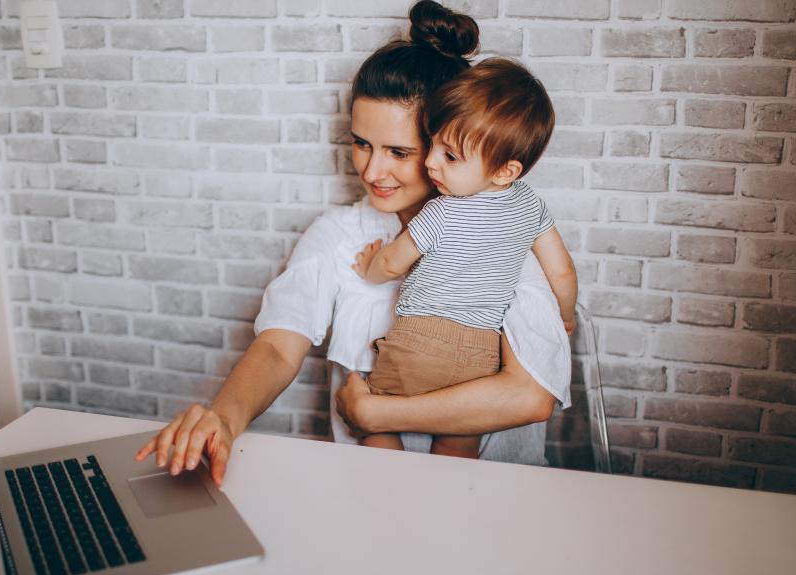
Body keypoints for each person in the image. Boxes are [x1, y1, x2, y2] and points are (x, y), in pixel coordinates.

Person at [134, 0, 574, 486]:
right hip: (370, 498)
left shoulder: (501, 240)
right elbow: (280, 346)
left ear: (448, 145)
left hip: (498, 500)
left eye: (398, 152)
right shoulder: (340, 233)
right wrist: (225, 416)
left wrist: (377, 416)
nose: (371, 171)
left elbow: (530, 396)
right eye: (362, 143)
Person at [351, 58, 576, 458]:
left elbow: (391, 264)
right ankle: (447, 507)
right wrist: (567, 313)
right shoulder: (530, 207)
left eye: (450, 156)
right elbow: (560, 270)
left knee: (373, 420)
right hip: (480, 355)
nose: (431, 161)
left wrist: (368, 268)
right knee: (459, 442)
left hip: (416, 344)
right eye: (433, 144)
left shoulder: (440, 212)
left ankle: (383, 484)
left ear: (506, 171)